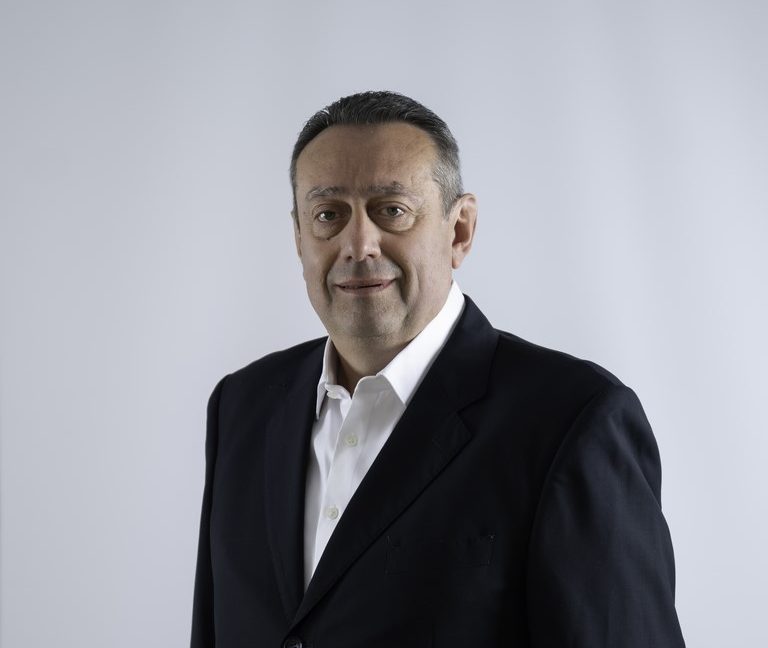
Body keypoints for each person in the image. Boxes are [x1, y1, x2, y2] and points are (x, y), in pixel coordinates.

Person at [190, 90, 686, 648]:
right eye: (328, 215)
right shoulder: (242, 406)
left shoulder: (572, 421)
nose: (358, 244)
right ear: (299, 236)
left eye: (392, 210)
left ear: (460, 230)